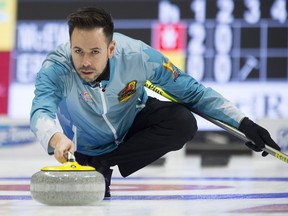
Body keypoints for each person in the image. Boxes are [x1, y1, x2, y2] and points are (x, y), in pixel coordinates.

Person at [30, 7, 281, 198]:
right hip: (83, 143)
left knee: (182, 121)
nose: (85, 62)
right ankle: (94, 164)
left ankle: (103, 165)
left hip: (130, 126)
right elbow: (41, 109)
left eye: (94, 52)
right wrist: (55, 138)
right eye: (78, 51)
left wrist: (243, 122)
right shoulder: (56, 68)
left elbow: (193, 92)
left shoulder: (138, 56)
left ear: (111, 48)